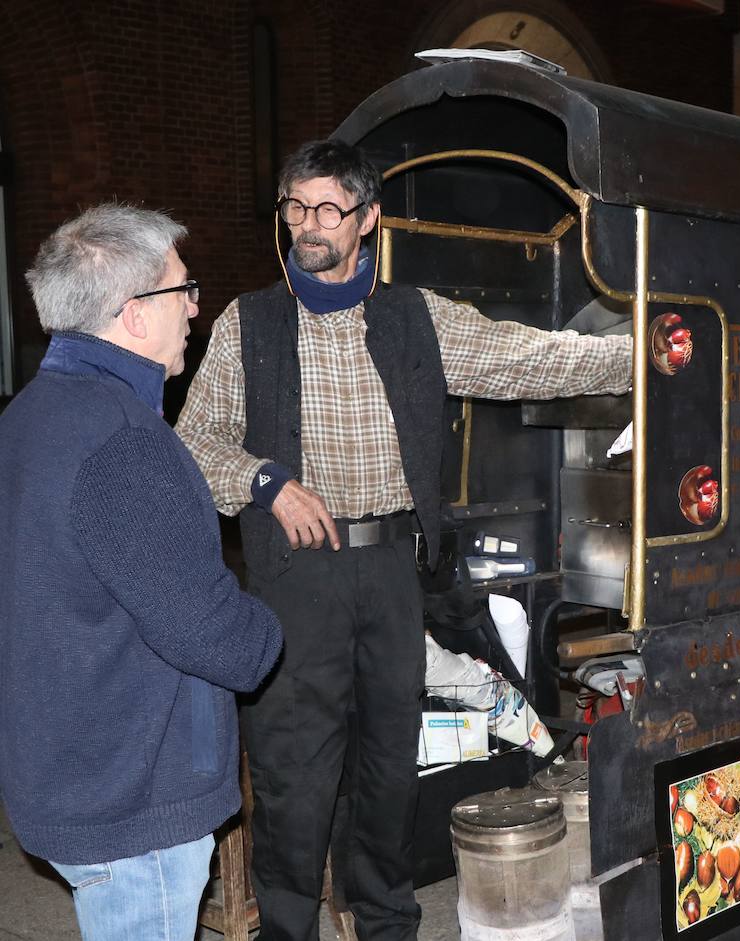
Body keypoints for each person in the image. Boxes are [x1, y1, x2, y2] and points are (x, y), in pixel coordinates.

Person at [176, 140, 635, 941]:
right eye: (295, 206)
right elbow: (193, 443)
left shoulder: (416, 317)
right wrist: (266, 480)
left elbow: (529, 358)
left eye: (328, 209)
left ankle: (388, 923)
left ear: (368, 219)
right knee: (294, 775)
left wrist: (644, 358)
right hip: (295, 577)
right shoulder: (247, 324)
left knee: (390, 767)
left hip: (392, 571)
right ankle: (288, 928)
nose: (308, 224)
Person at [0, 205, 283, 941]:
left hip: (66, 767)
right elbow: (209, 631)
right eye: (183, 290)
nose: (194, 308)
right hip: (131, 796)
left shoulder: (27, 416)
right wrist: (271, 627)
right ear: (132, 314)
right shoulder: (123, 441)